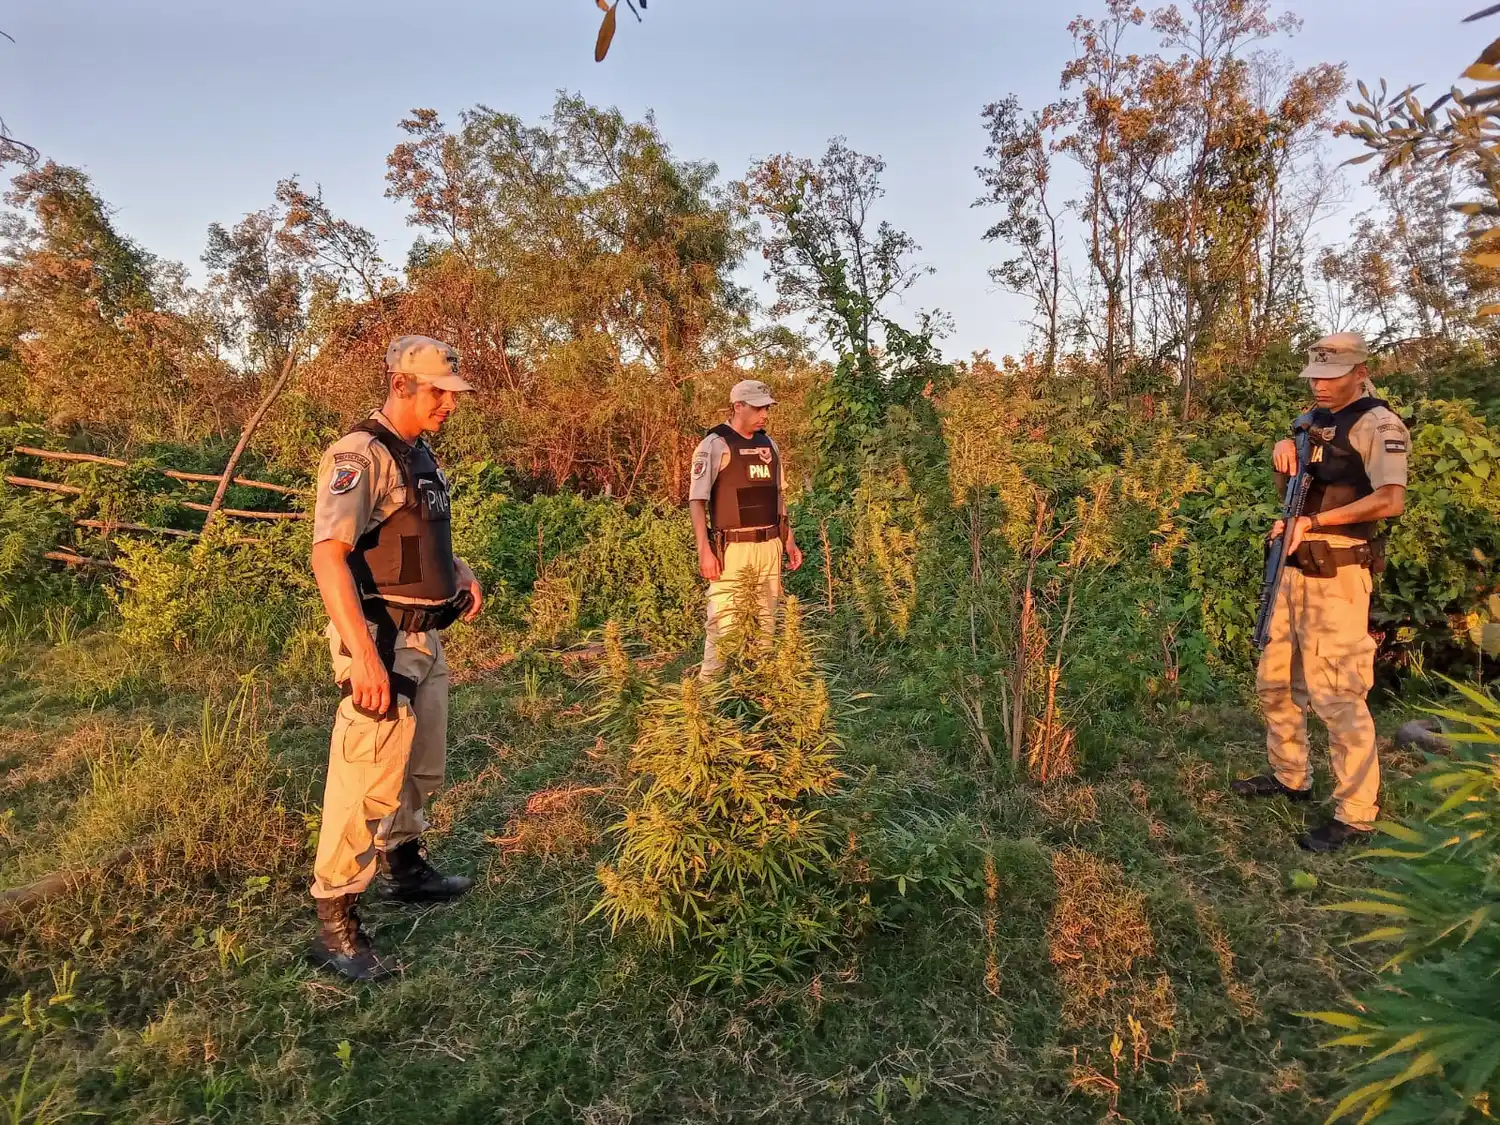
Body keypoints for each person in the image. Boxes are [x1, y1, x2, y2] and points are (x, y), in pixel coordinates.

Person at [306, 335, 485, 981]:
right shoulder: (360, 454)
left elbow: (425, 536)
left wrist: (460, 572)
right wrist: (363, 657)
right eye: (440, 393)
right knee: (364, 781)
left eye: (453, 394)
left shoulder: (420, 454)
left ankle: (405, 867)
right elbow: (330, 555)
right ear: (402, 383)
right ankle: (336, 921)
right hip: (382, 639)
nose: (449, 406)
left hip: (425, 637)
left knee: (420, 766)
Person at [1232, 332, 1410, 853]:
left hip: (1337, 574)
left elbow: (1390, 501)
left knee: (1337, 695)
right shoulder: (1312, 421)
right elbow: (1300, 485)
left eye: (1331, 376)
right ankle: (1291, 777)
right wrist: (1282, 450)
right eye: (1314, 376)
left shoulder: (1378, 424)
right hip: (1293, 569)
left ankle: (1355, 814)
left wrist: (1315, 522)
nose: (1321, 386)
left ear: (1359, 371)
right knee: (1276, 682)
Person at [689, 379, 803, 679]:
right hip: (732, 551)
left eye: (766, 407)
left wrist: (788, 541)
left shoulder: (769, 445)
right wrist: (705, 552)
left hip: (769, 545)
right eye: (757, 407)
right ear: (738, 406)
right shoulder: (715, 445)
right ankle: (710, 695)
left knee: (766, 624)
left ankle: (756, 691)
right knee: (724, 624)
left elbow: (779, 496)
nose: (764, 413)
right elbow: (697, 502)